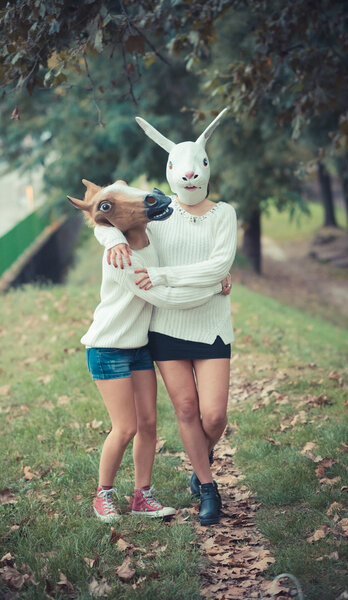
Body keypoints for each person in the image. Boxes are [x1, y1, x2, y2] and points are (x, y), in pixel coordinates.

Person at [94, 109, 237, 525]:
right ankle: (208, 487)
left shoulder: (224, 214)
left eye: (196, 170)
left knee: (214, 415)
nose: (190, 179)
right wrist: (108, 240)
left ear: (207, 169)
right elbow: (106, 209)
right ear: (170, 170)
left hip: (211, 326)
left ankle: (199, 461)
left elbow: (216, 267)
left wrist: (172, 277)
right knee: (188, 410)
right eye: (180, 170)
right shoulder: (158, 212)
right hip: (166, 329)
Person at [67, 179, 223, 522]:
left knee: (149, 424)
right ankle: (103, 495)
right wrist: (213, 289)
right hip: (108, 348)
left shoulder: (148, 238)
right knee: (124, 427)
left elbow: (123, 203)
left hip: (138, 347)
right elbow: (162, 295)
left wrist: (217, 276)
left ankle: (142, 496)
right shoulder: (117, 256)